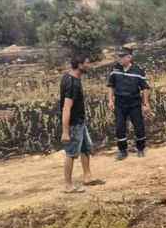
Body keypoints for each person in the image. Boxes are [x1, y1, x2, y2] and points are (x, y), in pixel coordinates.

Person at [60, 55, 102, 193]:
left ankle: (87, 177)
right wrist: (66, 131)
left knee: (86, 148)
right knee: (71, 153)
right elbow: (66, 108)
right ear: (80, 65)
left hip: (80, 121)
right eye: (87, 63)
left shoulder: (69, 77)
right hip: (74, 124)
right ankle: (68, 185)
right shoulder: (73, 83)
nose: (88, 65)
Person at [106, 46, 151, 160]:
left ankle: (140, 149)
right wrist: (110, 100)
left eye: (121, 56)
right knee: (119, 127)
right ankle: (122, 151)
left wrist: (146, 103)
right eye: (118, 56)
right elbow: (110, 85)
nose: (119, 59)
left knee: (138, 126)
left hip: (134, 103)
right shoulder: (115, 69)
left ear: (129, 57)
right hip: (120, 104)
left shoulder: (138, 70)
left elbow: (144, 87)